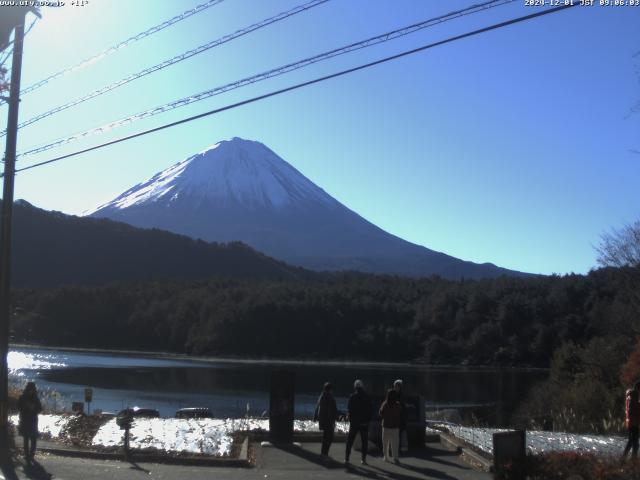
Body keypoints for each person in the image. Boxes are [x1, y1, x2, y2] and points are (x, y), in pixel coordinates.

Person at [345, 379, 372, 465]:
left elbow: (349, 409)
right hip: (364, 423)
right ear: (362, 387)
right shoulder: (367, 397)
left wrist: (351, 419)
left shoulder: (352, 397)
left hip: (354, 423)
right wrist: (367, 420)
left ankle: (347, 459)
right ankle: (363, 460)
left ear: (355, 387)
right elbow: (370, 410)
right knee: (364, 442)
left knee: (350, 441)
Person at [18, 382, 42, 464]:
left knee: (33, 438)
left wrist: (33, 408)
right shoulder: (23, 397)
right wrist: (27, 408)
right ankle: (27, 455)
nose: (31, 390)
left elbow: (40, 409)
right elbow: (19, 408)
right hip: (26, 419)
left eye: (32, 389)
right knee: (26, 438)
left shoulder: (35, 398)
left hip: (32, 420)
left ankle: (31, 454)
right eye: (30, 388)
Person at [314, 382, 338, 456]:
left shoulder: (322, 396)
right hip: (329, 420)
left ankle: (323, 453)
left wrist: (315, 417)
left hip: (323, 420)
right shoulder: (330, 397)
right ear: (330, 389)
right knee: (329, 437)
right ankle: (325, 453)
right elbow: (333, 410)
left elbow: (317, 407)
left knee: (325, 437)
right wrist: (335, 419)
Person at [379, 388, 401, 464]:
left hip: (386, 426)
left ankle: (386, 456)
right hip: (395, 427)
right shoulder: (397, 404)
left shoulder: (385, 404)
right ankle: (395, 458)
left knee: (385, 443)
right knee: (395, 444)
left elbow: (380, 413)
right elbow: (400, 414)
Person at [623, 381, 640, 460]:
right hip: (633, 423)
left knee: (632, 442)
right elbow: (631, 411)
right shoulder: (633, 397)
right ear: (637, 388)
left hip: (633, 423)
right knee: (634, 443)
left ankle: (626, 459)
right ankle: (631, 460)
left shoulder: (633, 396)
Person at [393, 379, 408, 453]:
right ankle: (398, 448)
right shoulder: (395, 395)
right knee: (397, 434)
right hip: (397, 418)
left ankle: (401, 449)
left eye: (398, 386)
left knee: (400, 434)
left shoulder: (401, 396)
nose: (397, 387)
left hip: (400, 418)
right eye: (396, 386)